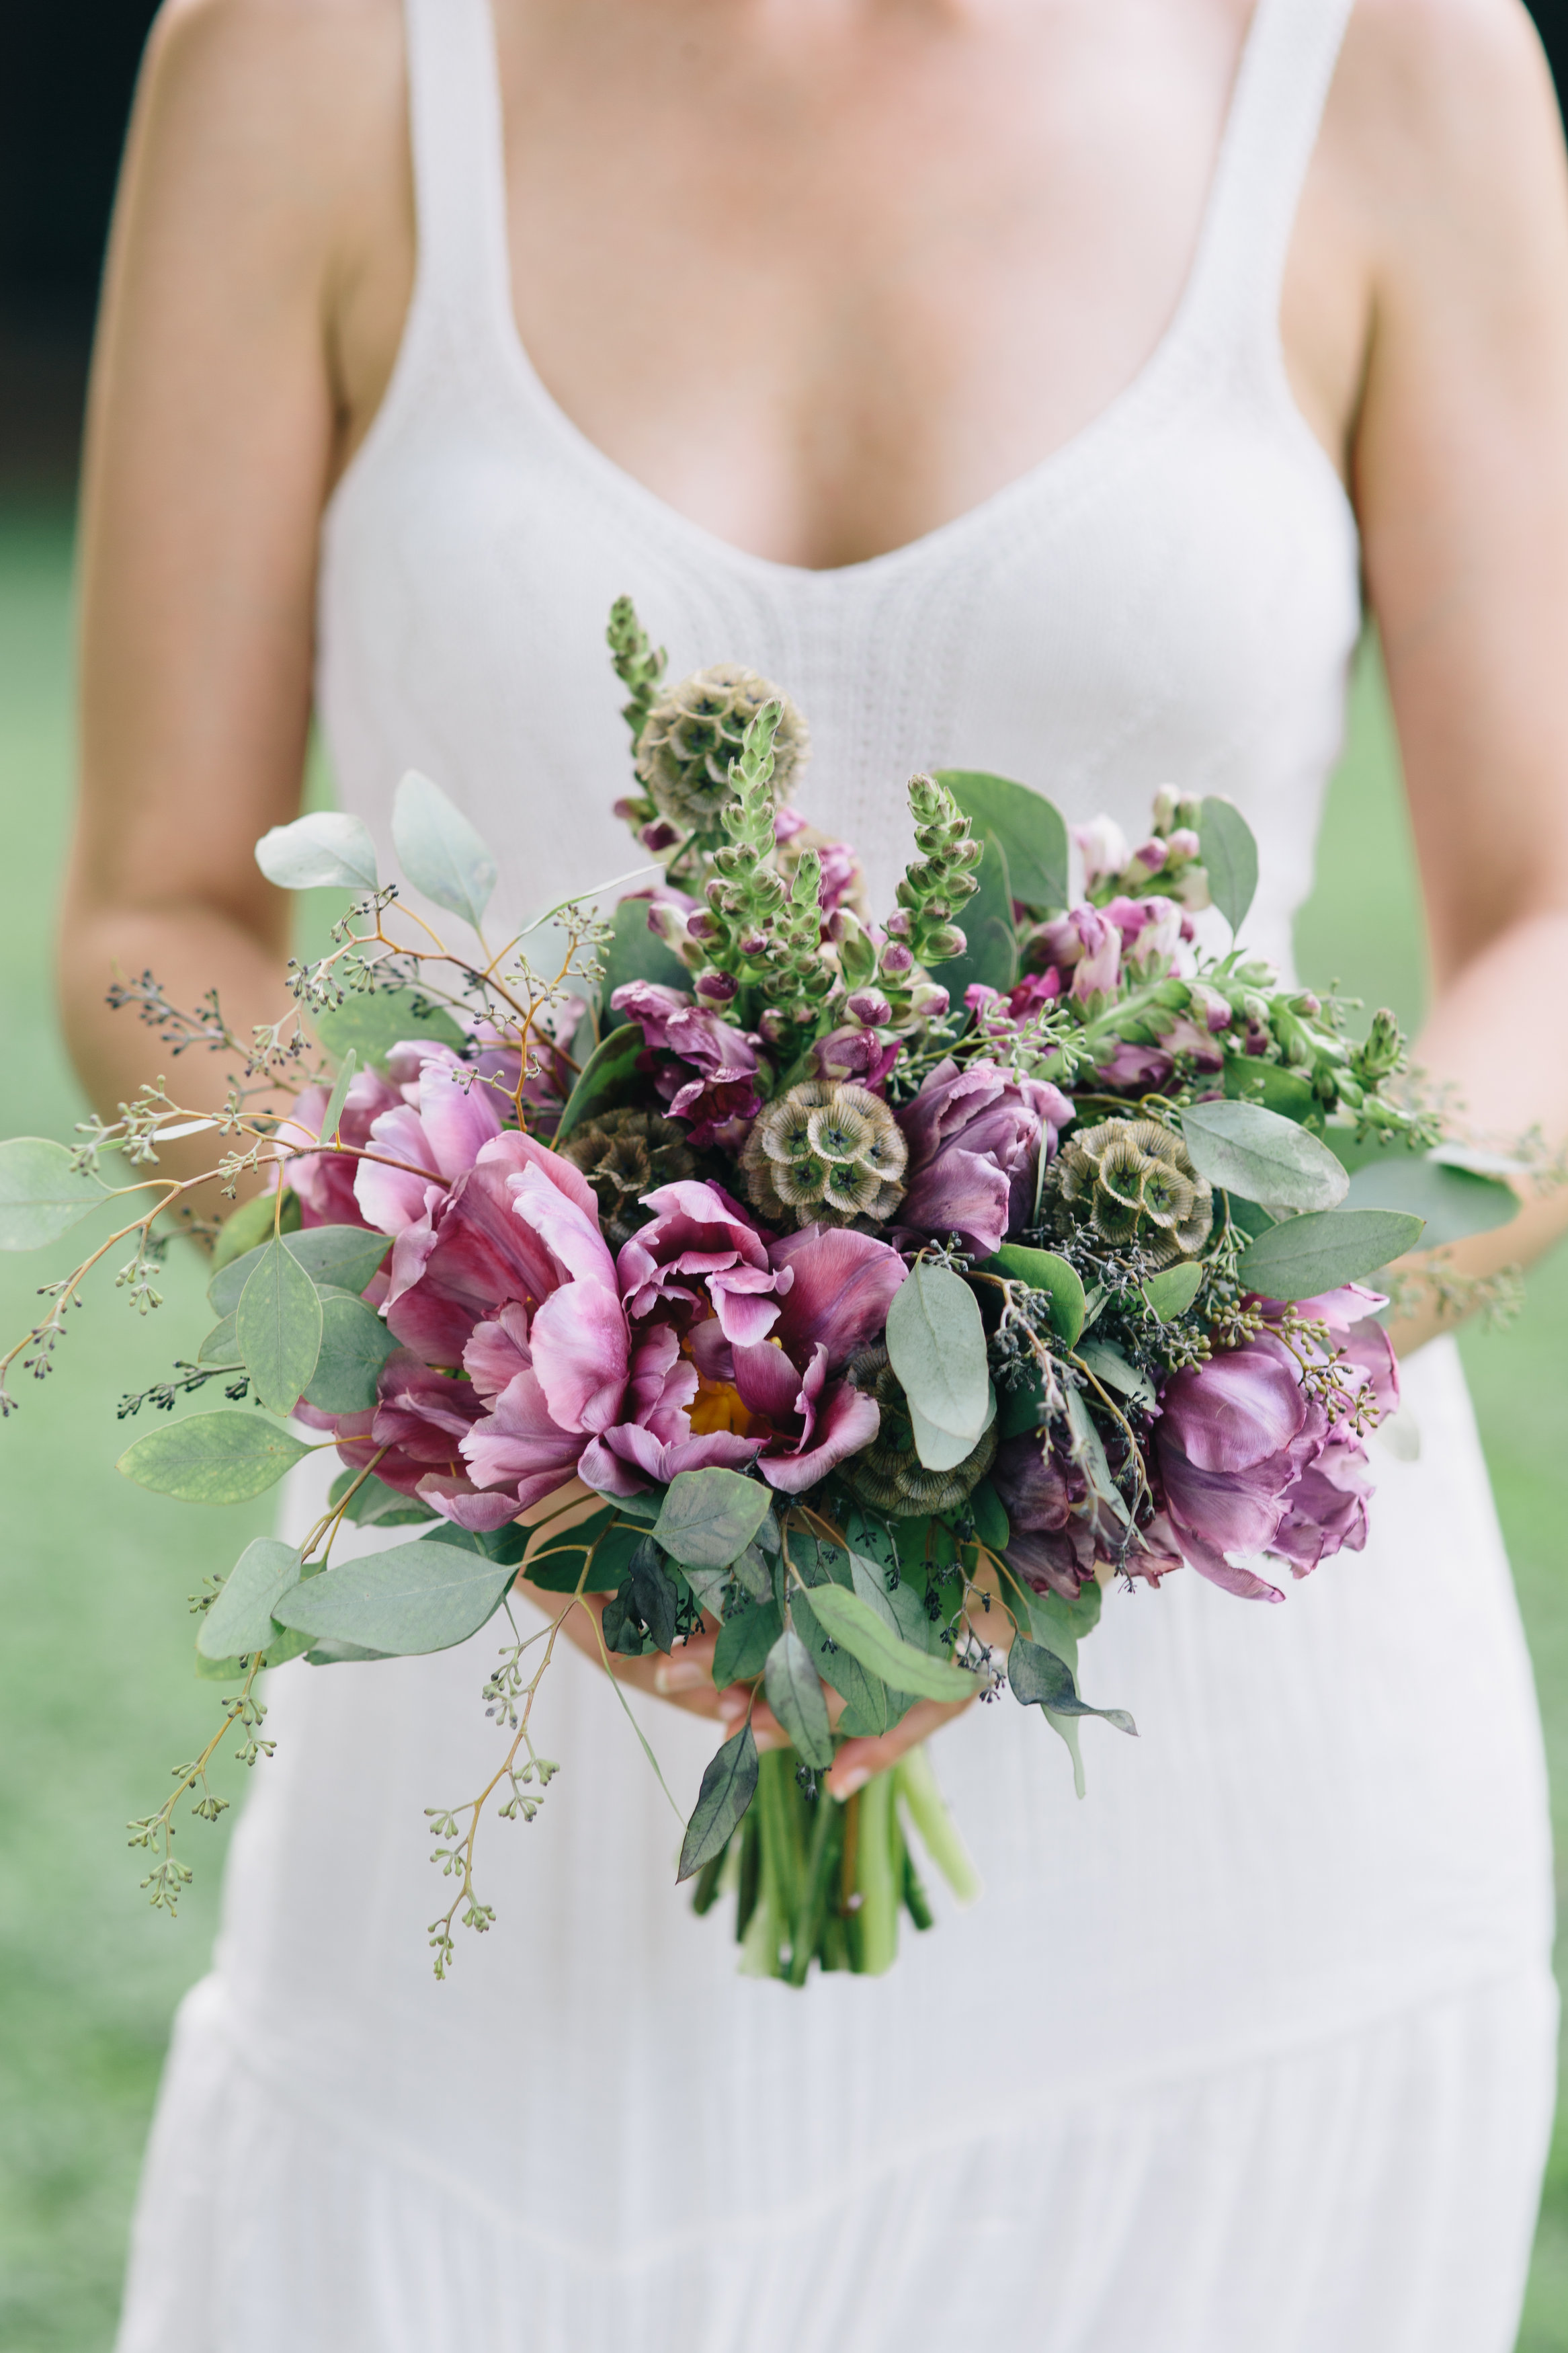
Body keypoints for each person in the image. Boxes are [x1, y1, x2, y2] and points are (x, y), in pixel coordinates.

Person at [65, 0, 1568, 2346]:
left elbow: (1556, 925)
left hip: (1239, 1810)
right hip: (514, 1726)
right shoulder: (312, 53)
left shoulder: (1391, 55)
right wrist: (492, 1389)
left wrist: (1173, 1406)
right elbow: (153, 906)